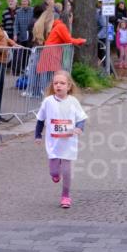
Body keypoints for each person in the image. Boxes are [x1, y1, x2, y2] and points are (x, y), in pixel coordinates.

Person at [34, 69, 87, 210]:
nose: (58, 86)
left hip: (69, 142)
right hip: (53, 143)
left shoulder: (73, 102)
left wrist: (79, 128)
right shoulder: (48, 102)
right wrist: (38, 135)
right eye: (56, 83)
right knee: (54, 171)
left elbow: (81, 118)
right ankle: (55, 174)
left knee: (67, 171)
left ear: (69, 86)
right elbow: (40, 119)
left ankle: (66, 195)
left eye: (62, 83)